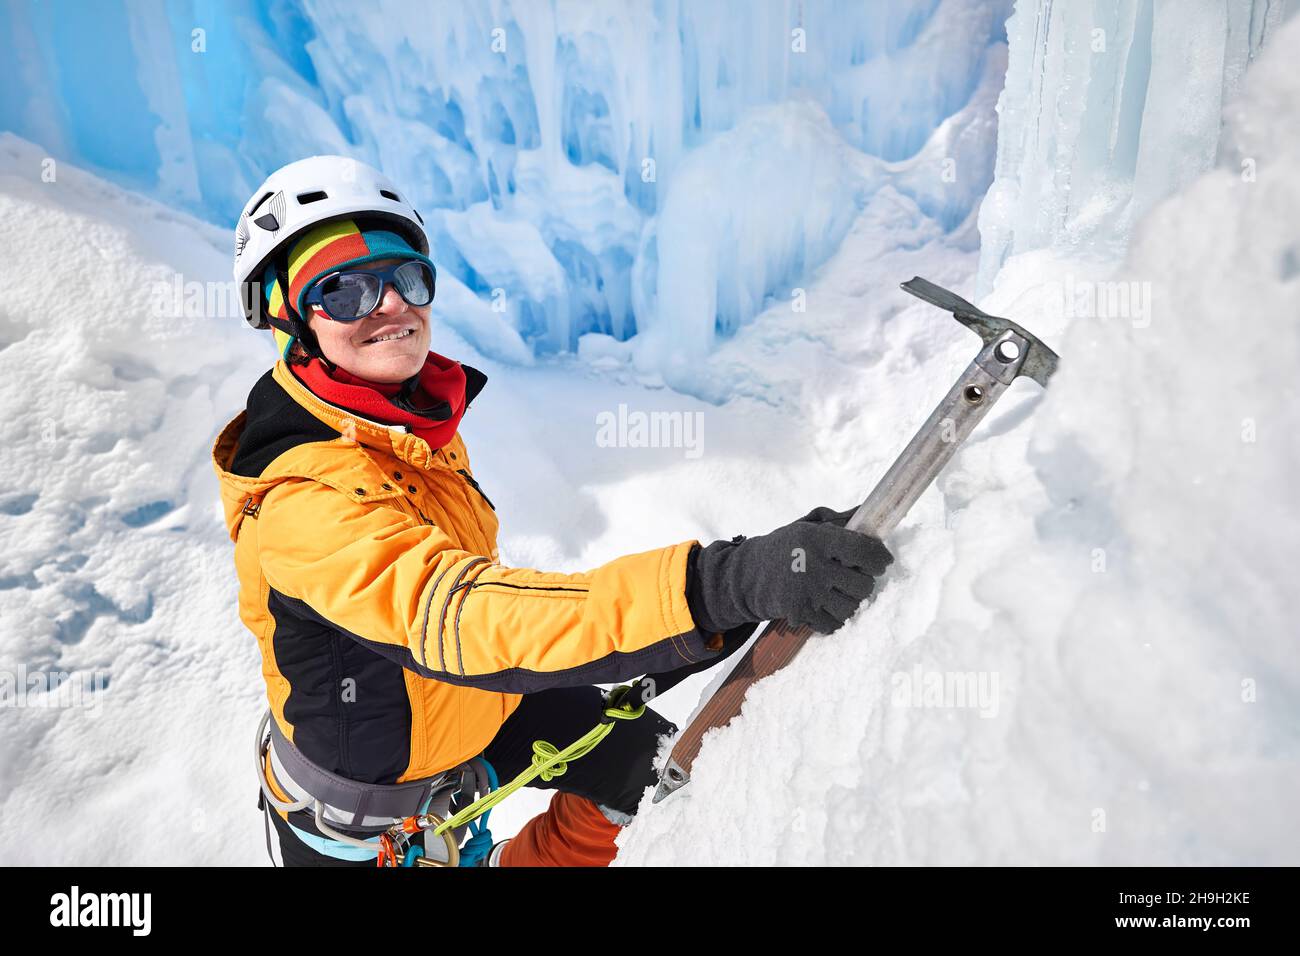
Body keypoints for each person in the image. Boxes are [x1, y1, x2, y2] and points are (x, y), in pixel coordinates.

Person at [211, 156, 893, 867]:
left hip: (467, 709)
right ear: (288, 318)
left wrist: (744, 593)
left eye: (407, 277)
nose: (389, 305)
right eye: (344, 291)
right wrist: (726, 584)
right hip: (366, 812)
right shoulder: (302, 500)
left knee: (655, 770)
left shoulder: (403, 427)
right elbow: (467, 620)